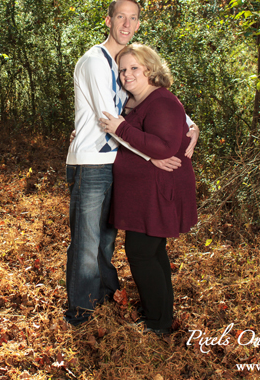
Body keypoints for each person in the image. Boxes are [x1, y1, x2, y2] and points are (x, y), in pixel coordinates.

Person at [65, 0, 199, 326]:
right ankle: (81, 313)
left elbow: (147, 102)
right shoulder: (96, 61)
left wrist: (189, 125)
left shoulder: (125, 61)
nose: (126, 23)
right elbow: (111, 118)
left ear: (138, 23)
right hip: (93, 162)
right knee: (87, 243)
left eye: (133, 18)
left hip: (117, 164)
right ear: (108, 20)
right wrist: (155, 156)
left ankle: (107, 296)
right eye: (120, 17)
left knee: (106, 241)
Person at [99, 43, 199, 334]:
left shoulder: (161, 101)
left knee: (141, 252)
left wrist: (120, 128)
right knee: (153, 253)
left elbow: (163, 147)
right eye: (123, 70)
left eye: (134, 68)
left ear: (150, 70)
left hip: (158, 192)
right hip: (147, 192)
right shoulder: (141, 102)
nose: (127, 75)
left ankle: (157, 323)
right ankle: (161, 314)